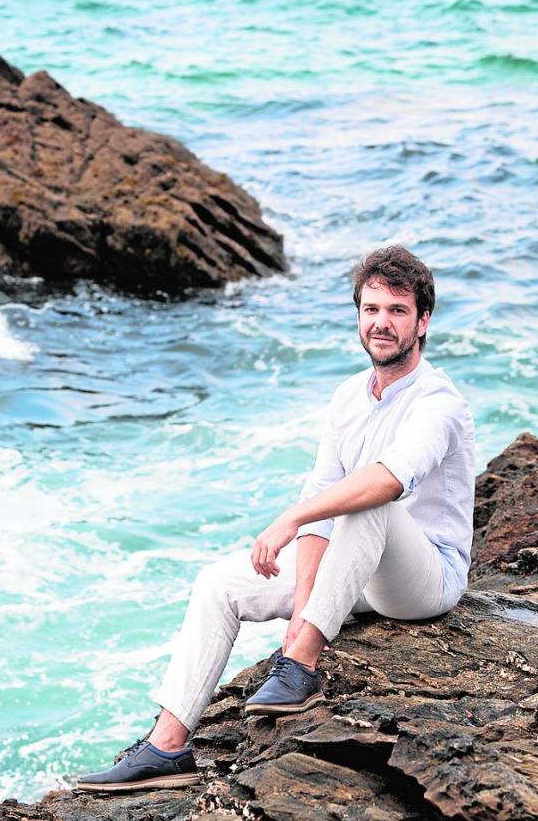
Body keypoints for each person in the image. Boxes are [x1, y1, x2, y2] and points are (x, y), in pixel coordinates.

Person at [76, 245, 476, 792]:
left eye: (397, 311)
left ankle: (302, 669)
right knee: (220, 583)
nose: (381, 323)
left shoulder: (439, 402)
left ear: (422, 321)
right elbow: (321, 506)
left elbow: (385, 482)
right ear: (358, 315)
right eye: (371, 309)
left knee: (367, 501)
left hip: (427, 578)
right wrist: (305, 602)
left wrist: (290, 520)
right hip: (360, 571)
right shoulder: (347, 398)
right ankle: (166, 748)